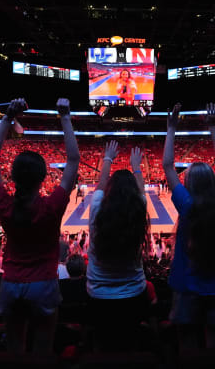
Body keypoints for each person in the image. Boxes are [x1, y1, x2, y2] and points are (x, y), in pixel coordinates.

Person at [0, 98, 80, 353]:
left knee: (14, 348)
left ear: (13, 177)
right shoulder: (52, 207)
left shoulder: (3, 205)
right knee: (43, 349)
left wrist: (7, 117)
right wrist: (65, 116)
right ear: (43, 177)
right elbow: (73, 160)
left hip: (11, 282)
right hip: (44, 283)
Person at [163, 103, 215, 350]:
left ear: (190, 182)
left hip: (187, 285)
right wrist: (213, 128)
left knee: (189, 347)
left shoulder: (187, 205)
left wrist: (171, 128)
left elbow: (168, 166)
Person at [86, 141, 150, 350]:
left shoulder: (97, 208)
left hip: (98, 296)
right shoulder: (139, 210)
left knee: (102, 343)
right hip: (134, 295)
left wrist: (108, 158)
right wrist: (137, 167)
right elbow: (141, 192)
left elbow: (101, 183)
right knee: (130, 342)